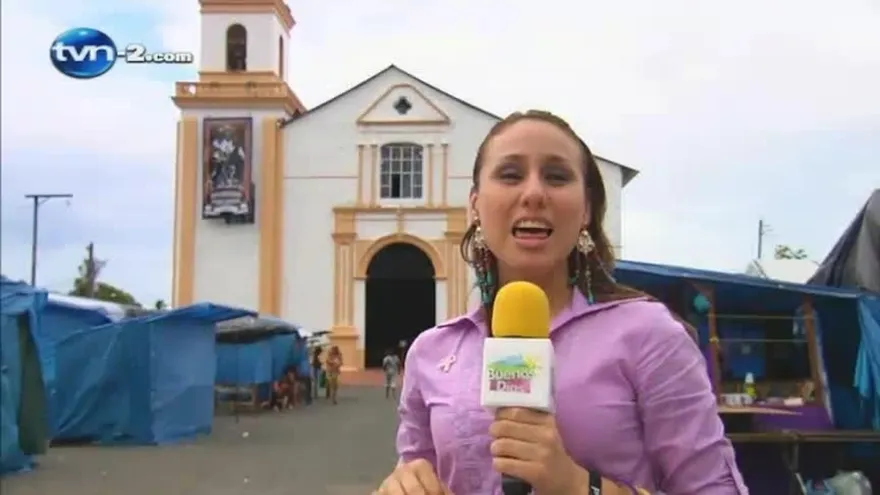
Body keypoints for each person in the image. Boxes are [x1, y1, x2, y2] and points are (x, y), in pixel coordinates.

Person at [374, 110, 748, 494]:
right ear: (475, 205)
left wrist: (577, 486)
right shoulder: (431, 352)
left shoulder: (649, 335)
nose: (534, 193)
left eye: (556, 176)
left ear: (586, 208)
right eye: (510, 175)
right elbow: (415, 468)